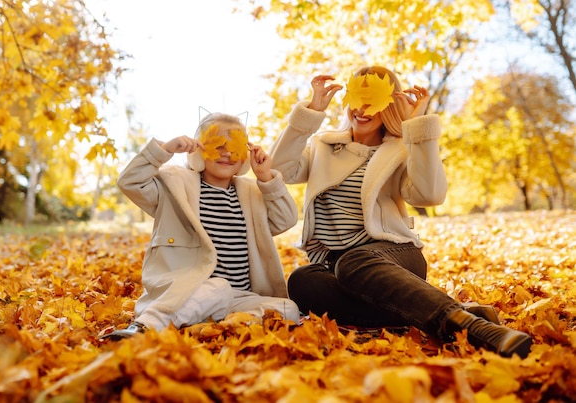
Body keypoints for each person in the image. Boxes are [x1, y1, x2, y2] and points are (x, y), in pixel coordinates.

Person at [270, 66, 533, 358]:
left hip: (394, 255)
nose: (362, 108)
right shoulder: (323, 146)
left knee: (353, 262)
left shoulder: (400, 150)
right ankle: (455, 315)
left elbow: (429, 194)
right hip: (335, 266)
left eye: (374, 100)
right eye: (358, 97)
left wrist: (418, 130)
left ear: (390, 104)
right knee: (301, 281)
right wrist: (309, 115)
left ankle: (471, 327)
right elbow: (278, 169)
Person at [103, 112, 300, 340]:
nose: (226, 153)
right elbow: (129, 182)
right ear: (199, 149)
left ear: (245, 155)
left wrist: (266, 177)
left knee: (288, 309)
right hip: (188, 291)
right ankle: (147, 326)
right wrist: (164, 150)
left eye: (234, 146)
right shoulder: (175, 185)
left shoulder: (252, 194)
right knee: (219, 287)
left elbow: (286, 219)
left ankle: (202, 327)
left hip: (239, 298)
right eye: (216, 145)